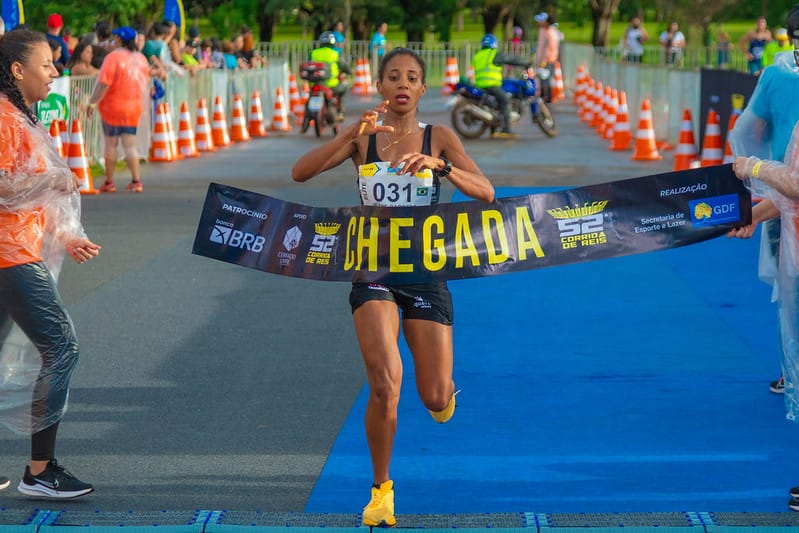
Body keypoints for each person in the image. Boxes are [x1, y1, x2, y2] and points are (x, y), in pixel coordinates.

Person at [291, 47, 494, 528]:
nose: (403, 84)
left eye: (412, 78)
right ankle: (381, 491)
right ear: (380, 86)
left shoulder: (440, 137)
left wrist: (440, 167)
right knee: (385, 381)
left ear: (422, 89)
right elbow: (300, 172)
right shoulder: (364, 138)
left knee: (434, 396)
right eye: (394, 77)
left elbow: (486, 192)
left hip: (424, 269)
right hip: (373, 269)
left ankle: (444, 397)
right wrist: (349, 134)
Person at [0, 27, 101, 499]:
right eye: (47, 64)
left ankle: (39, 470)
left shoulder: (25, 116)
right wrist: (51, 182)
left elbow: (34, 191)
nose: (56, 72)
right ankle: (40, 472)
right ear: (18, 70)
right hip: (9, 255)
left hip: (16, 250)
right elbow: (6, 185)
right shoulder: (5, 118)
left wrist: (67, 234)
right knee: (62, 348)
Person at [728, 4, 799, 398]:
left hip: (781, 186)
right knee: (791, 287)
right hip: (782, 193)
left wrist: (755, 168)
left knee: (791, 289)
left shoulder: (776, 75)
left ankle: (793, 370)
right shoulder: (777, 75)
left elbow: (748, 133)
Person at [86, 26, 151, 193]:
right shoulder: (141, 59)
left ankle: (109, 182)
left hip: (112, 107)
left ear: (120, 39)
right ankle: (136, 180)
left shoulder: (113, 58)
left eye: (115, 38)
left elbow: (103, 84)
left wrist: (92, 102)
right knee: (130, 144)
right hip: (134, 108)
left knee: (111, 144)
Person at [472, 33, 526, 138]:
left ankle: (493, 130)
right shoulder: (493, 54)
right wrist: (525, 63)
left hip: (479, 85)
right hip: (491, 84)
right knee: (505, 101)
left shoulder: (478, 55)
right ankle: (506, 129)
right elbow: (510, 59)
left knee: (495, 106)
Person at [309, 30, 352, 119]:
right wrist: (349, 71)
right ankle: (341, 113)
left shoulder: (314, 53)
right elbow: (344, 66)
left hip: (315, 84)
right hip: (331, 84)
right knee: (345, 87)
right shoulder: (335, 54)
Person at [533, 12, 560, 103]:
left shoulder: (549, 32)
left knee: (545, 79)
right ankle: (546, 97)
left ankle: (547, 98)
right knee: (545, 78)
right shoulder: (549, 31)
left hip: (548, 59)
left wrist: (543, 60)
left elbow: (548, 48)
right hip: (549, 59)